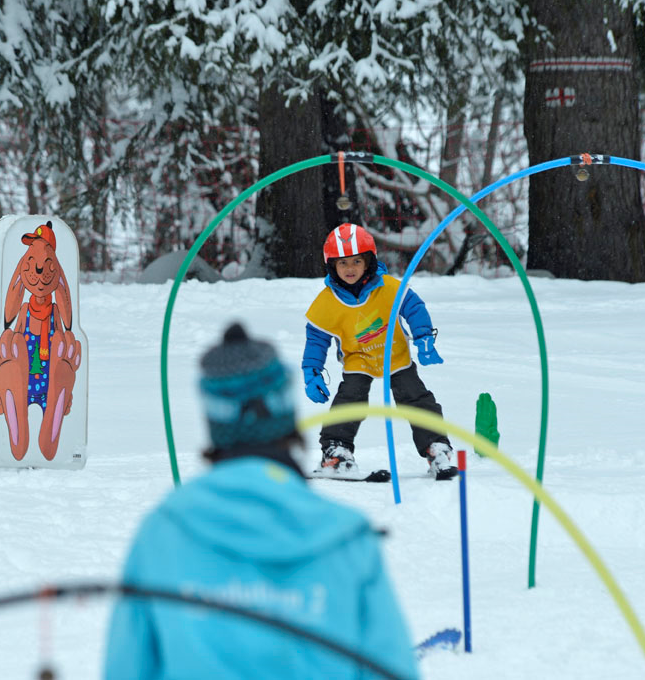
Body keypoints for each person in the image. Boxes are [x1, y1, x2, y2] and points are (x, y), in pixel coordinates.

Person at [103, 322, 419, 680]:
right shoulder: (347, 536)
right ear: (284, 413)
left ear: (215, 420)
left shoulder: (163, 533)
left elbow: (126, 668)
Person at [302, 223, 458, 480]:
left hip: (394, 355)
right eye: (342, 263)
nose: (349, 269)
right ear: (332, 265)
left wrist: (423, 337)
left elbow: (414, 307)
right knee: (350, 400)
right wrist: (312, 370)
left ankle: (436, 446)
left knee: (415, 398)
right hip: (358, 360)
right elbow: (316, 338)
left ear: (369, 261)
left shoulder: (388, 287)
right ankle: (336, 452)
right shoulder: (327, 301)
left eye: (356, 261)